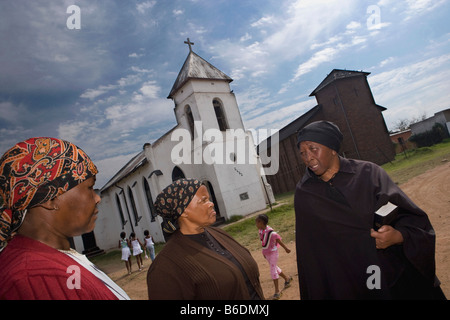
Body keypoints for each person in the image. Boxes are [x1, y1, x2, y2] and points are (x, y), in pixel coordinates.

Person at [294, 121, 446, 299]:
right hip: (349, 284)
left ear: (333, 148)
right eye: (303, 153)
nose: (307, 157)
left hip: (395, 276)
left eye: (313, 148)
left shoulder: (368, 174)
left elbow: (409, 216)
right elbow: (310, 253)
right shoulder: (305, 194)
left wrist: (398, 236)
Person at [0, 137, 130, 300]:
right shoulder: (38, 278)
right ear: (50, 199)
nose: (97, 198)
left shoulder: (52, 262)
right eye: (90, 188)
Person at [147, 178, 264, 300]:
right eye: (204, 200)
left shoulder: (219, 234)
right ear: (182, 211)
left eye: (208, 199)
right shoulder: (164, 268)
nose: (211, 203)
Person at [255, 214, 292, 300]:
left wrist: (286, 248)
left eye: (257, 222)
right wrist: (264, 252)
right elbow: (263, 242)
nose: (256, 225)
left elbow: (279, 241)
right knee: (275, 267)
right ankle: (287, 279)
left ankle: (277, 291)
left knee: (272, 270)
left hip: (273, 253)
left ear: (261, 222)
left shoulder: (272, 233)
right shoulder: (260, 231)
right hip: (267, 253)